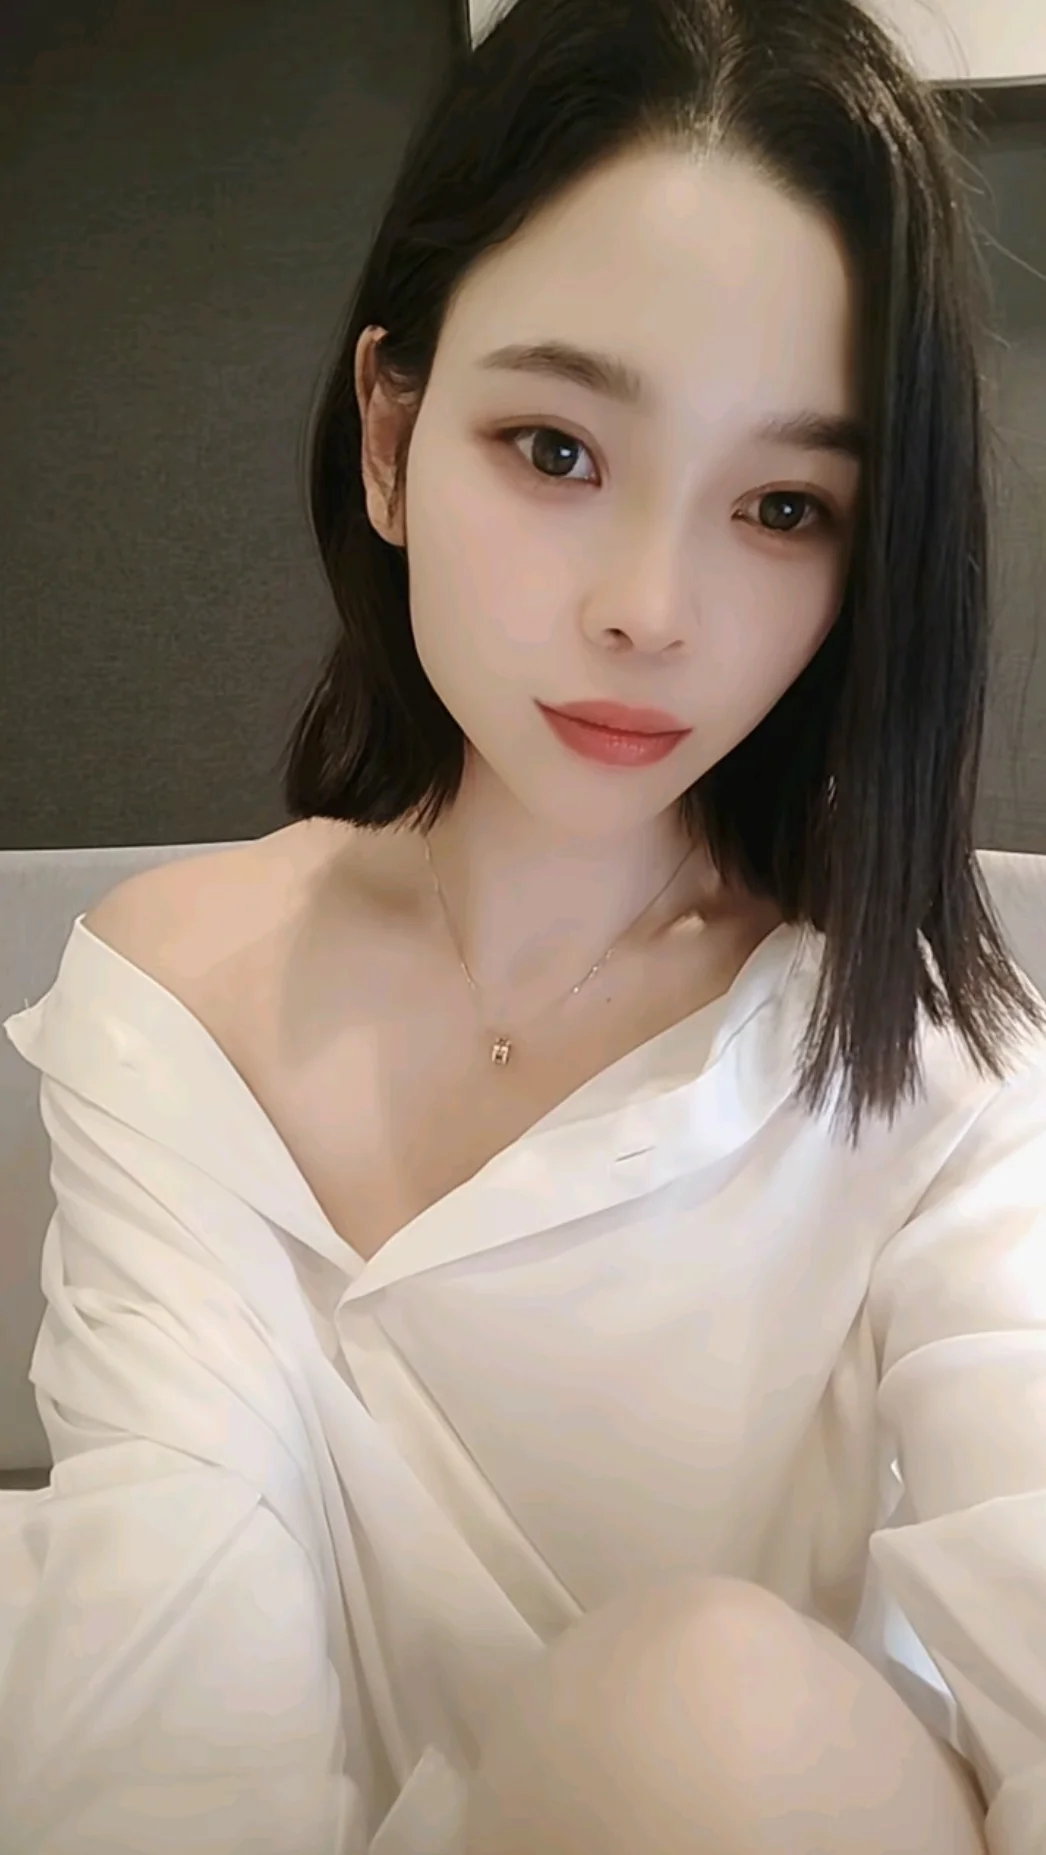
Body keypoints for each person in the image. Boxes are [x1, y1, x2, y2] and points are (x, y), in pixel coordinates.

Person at [2, 0, 1045, 1846]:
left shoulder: (923, 1050)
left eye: (781, 504)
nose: (650, 607)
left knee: (702, 1719)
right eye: (555, 449)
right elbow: (165, 1715)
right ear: (390, 435)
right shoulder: (179, 999)